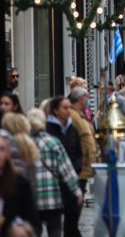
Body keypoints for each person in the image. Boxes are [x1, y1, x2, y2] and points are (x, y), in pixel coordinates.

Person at [28, 108, 82, 237]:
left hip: (31, 197)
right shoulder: (52, 142)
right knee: (55, 230)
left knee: (33, 231)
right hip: (52, 197)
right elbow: (66, 169)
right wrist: (77, 191)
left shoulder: (24, 143)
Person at [45, 96, 83, 237]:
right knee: (54, 224)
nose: (68, 111)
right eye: (65, 108)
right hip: (55, 183)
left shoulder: (72, 129)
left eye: (70, 108)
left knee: (72, 221)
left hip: (72, 178)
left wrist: (76, 167)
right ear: (56, 110)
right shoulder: (48, 130)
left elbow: (79, 153)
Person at [0, 131, 40, 236]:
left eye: (1, 149)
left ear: (8, 153)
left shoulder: (20, 184)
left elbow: (33, 221)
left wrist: (24, 230)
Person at [68, 87, 97, 199]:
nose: (89, 100)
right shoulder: (73, 116)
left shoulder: (80, 115)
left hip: (84, 168)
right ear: (81, 98)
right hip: (78, 168)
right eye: (87, 97)